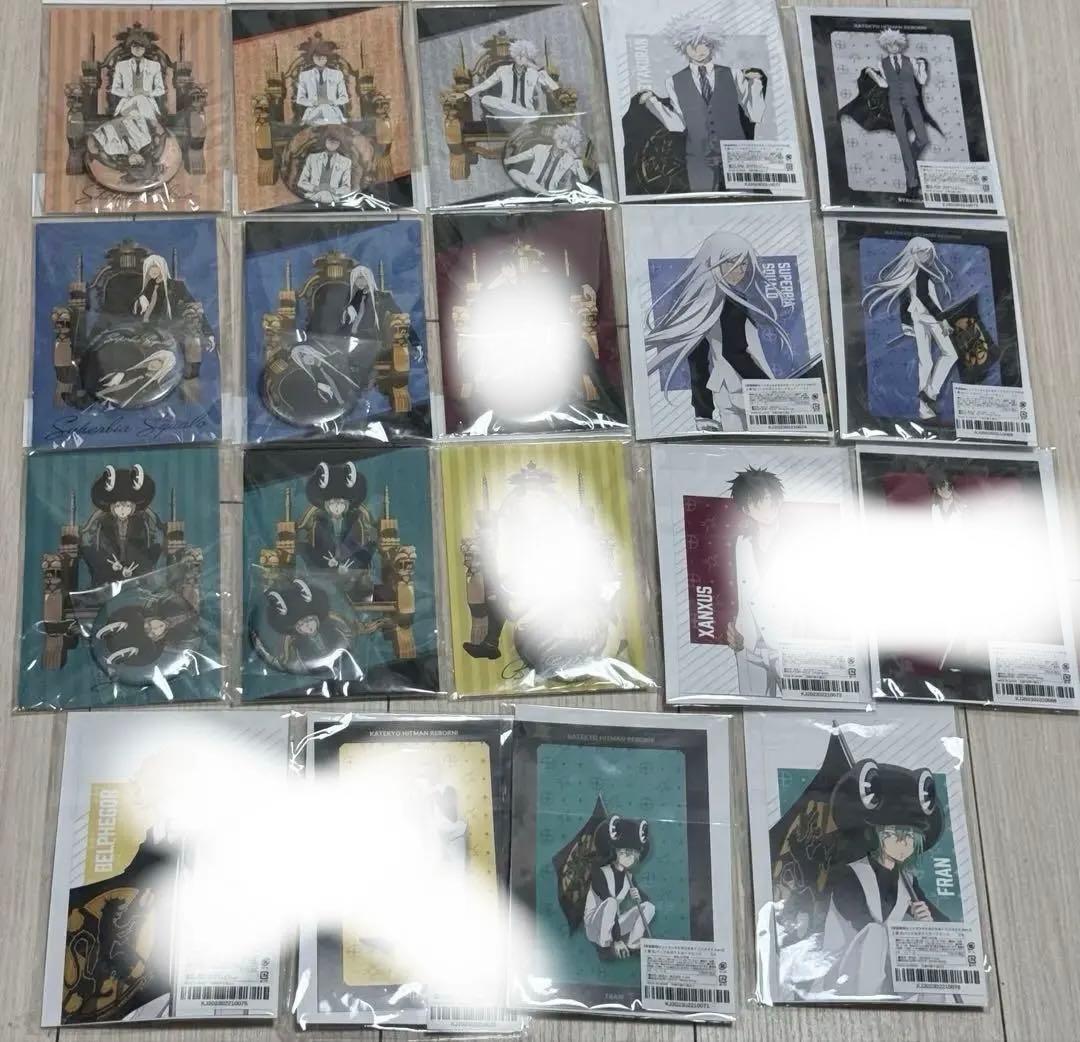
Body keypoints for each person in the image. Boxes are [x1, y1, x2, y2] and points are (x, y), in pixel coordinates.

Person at [817, 759, 948, 997]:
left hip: (885, 972)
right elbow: (861, 924)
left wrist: (928, 924)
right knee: (875, 935)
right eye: (895, 834)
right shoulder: (850, 874)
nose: (904, 843)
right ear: (876, 835)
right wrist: (907, 938)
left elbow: (941, 921)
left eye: (910, 837)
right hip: (842, 972)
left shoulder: (907, 882)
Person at [645, 230, 792, 431]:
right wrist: (769, 389)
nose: (739, 270)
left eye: (744, 263)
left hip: (726, 390)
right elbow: (733, 353)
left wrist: (702, 412)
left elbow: (698, 362)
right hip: (746, 390)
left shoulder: (704, 303)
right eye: (731, 262)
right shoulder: (729, 302)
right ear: (713, 262)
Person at [637, 22, 765, 193]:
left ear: (712, 44)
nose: (699, 50)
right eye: (692, 45)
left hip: (737, 154)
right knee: (702, 203)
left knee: (746, 201)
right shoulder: (674, 81)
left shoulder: (733, 74)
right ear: (684, 48)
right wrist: (653, 104)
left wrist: (755, 84)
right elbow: (678, 125)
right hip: (698, 158)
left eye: (704, 44)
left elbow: (755, 114)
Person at [862, 237, 958, 420]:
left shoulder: (912, 273)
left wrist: (906, 323)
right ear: (914, 253)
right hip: (930, 319)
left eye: (929, 253)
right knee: (950, 354)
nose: (927, 256)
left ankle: (923, 407)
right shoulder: (920, 273)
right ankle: (930, 393)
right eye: (923, 252)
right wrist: (942, 320)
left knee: (926, 362)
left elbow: (905, 300)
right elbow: (924, 297)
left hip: (918, 318)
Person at [722, 468, 790, 697]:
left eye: (769, 500)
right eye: (757, 502)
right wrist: (735, 630)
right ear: (746, 509)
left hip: (788, 646)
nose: (766, 507)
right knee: (751, 709)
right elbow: (739, 592)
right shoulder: (741, 544)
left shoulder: (798, 540)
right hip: (748, 646)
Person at [865, 30, 930, 197]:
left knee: (923, 138)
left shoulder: (911, 61)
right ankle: (912, 181)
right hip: (894, 103)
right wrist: (872, 74)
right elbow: (884, 85)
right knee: (903, 140)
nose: (892, 47)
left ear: (900, 45)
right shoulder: (882, 63)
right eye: (888, 45)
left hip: (911, 100)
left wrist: (922, 66)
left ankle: (911, 157)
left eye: (894, 44)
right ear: (885, 46)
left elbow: (922, 80)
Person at [583, 815, 655, 960]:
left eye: (633, 854)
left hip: (613, 924)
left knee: (649, 907)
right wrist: (617, 940)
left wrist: (639, 897)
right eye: (625, 852)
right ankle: (604, 947)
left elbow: (644, 900)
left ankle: (633, 944)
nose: (629, 857)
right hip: (595, 927)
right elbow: (609, 903)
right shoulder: (600, 873)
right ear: (615, 851)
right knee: (611, 902)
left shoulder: (629, 877)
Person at [81, 465, 165, 585]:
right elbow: (93, 550)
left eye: (127, 506)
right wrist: (110, 565)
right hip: (107, 580)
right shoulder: (101, 525)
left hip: (136, 578)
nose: (122, 510)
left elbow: (149, 550)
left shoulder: (142, 524)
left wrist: (134, 569)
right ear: (112, 507)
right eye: (118, 506)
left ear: (132, 508)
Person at [297, 461, 378, 580]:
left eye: (340, 503)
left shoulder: (355, 523)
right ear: (327, 505)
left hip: (353, 577)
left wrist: (351, 566)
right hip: (324, 578)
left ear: (346, 505)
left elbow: (364, 550)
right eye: (333, 503)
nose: (336, 507)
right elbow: (311, 551)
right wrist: (327, 563)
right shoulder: (318, 524)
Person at [464, 39, 559, 123]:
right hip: (507, 112)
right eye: (518, 54)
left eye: (524, 55)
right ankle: (531, 115)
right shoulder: (503, 70)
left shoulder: (533, 73)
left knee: (525, 112)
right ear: (514, 55)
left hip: (526, 112)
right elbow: (485, 84)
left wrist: (535, 67)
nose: (520, 57)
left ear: (528, 58)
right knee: (486, 99)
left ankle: (528, 115)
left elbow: (553, 87)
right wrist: (467, 93)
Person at [504, 122, 591, 195]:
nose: (562, 141)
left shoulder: (570, 159)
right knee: (513, 172)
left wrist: (576, 158)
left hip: (550, 191)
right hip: (530, 184)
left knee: (525, 181)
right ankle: (542, 192)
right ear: (555, 137)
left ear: (570, 144)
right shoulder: (540, 148)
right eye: (561, 137)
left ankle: (544, 193)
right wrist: (505, 161)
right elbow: (519, 157)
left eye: (566, 140)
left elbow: (584, 180)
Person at [110, 32, 166, 123]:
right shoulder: (121, 65)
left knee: (136, 113)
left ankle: (147, 128)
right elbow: (114, 89)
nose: (137, 49)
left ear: (145, 48)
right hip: (127, 104)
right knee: (140, 99)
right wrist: (129, 93)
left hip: (147, 104)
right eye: (134, 46)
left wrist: (147, 93)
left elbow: (161, 90)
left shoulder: (155, 65)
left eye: (141, 46)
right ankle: (154, 125)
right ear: (130, 48)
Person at [296, 39, 349, 126]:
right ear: (312, 58)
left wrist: (333, 102)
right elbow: (300, 99)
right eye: (317, 56)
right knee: (322, 110)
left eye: (323, 56)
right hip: (313, 112)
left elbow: (344, 98)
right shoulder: (304, 76)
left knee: (325, 109)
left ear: (327, 58)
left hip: (332, 111)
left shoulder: (337, 74)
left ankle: (325, 126)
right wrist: (313, 103)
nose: (320, 58)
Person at [297, 129, 353, 205]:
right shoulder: (312, 158)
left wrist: (333, 190)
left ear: (339, 143)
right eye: (330, 140)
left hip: (333, 199)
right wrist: (315, 188)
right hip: (313, 197)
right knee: (322, 195)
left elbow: (347, 188)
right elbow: (301, 182)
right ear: (325, 141)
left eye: (336, 141)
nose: (332, 143)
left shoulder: (346, 162)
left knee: (326, 195)